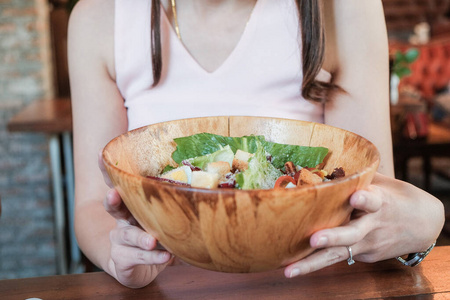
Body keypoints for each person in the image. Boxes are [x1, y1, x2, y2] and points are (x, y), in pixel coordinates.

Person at [68, 0, 445, 288]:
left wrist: (424, 226)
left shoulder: (346, 8)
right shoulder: (98, 17)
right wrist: (123, 256)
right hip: (170, 285)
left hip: (311, 284)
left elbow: (370, 197)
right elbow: (91, 204)